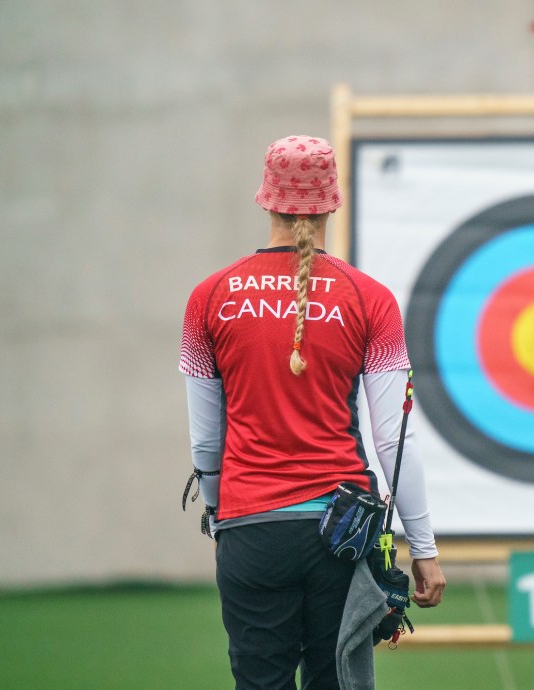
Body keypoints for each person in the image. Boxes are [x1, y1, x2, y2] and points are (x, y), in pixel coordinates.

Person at [179, 135, 446, 689]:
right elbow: (394, 440)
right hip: (339, 534)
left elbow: (207, 444)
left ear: (267, 200)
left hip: (249, 525)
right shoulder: (368, 298)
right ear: (330, 204)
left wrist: (219, 513)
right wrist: (423, 549)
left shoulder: (210, 297)